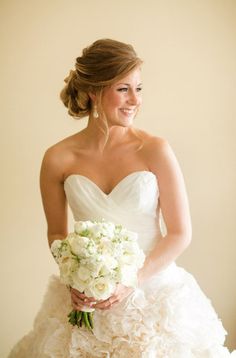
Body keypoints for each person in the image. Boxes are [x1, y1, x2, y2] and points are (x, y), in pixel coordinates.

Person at [9, 39, 235, 358]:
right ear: (93, 90)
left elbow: (181, 233)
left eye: (139, 89)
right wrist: (75, 277)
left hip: (154, 294)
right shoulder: (58, 158)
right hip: (86, 298)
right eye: (123, 89)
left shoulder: (155, 149)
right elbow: (57, 233)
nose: (134, 101)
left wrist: (132, 281)